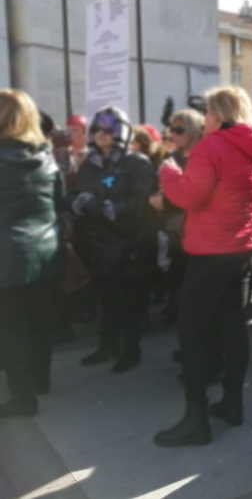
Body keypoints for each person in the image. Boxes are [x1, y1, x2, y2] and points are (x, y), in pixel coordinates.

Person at [154, 86, 252, 447]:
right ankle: (232, 404)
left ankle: (196, 417)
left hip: (210, 251)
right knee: (233, 324)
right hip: (243, 248)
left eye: (206, 112)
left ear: (217, 114)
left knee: (192, 331)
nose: (203, 119)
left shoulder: (211, 146)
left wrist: (168, 172)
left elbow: (189, 195)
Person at [69, 107, 155, 374]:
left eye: (107, 129)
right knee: (106, 301)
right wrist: (88, 204)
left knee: (129, 302)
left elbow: (140, 202)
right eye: (96, 129)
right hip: (100, 243)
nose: (101, 135)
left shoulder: (137, 162)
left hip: (130, 243)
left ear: (120, 131)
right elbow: (77, 192)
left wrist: (109, 207)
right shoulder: (91, 163)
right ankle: (107, 347)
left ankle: (130, 351)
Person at [0, 89, 63, 417]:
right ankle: (40, 380)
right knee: (39, 322)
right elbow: (60, 202)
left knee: (11, 329)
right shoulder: (46, 155)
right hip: (46, 250)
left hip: (7, 257)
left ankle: (23, 398)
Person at [148, 109, 204, 327]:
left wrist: (167, 201)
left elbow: (195, 195)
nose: (174, 134)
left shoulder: (202, 157)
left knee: (193, 289)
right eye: (172, 129)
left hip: (197, 233)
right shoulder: (172, 157)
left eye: (179, 129)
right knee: (176, 279)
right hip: (174, 230)